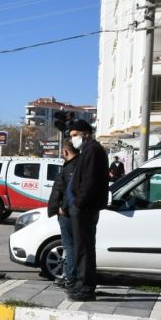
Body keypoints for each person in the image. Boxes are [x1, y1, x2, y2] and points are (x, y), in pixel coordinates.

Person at [65, 120, 109, 302]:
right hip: (82, 207)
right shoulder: (88, 150)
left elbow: (89, 181)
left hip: (85, 208)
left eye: (75, 135)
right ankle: (80, 284)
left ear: (86, 134)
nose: (73, 139)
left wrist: (79, 203)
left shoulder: (93, 150)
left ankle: (86, 287)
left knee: (84, 249)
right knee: (81, 248)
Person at [47, 141, 80, 288]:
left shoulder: (72, 166)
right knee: (70, 246)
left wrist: (63, 207)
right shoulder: (75, 164)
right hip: (70, 211)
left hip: (68, 213)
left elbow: (71, 189)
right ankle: (70, 276)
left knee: (69, 246)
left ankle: (69, 277)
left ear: (66, 152)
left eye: (62, 151)